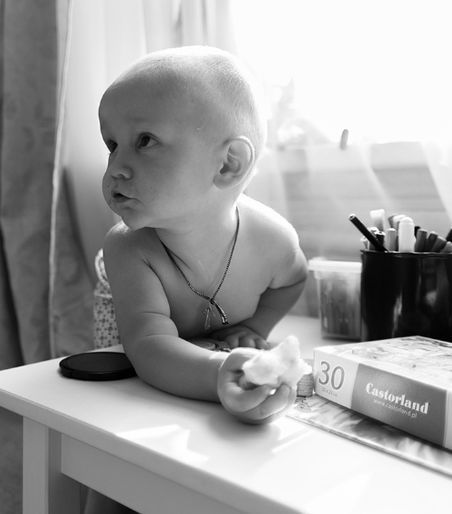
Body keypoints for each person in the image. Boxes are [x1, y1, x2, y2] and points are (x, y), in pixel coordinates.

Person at [99, 46, 309, 425]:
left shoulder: (272, 240)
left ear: (228, 164)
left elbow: (294, 278)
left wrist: (255, 327)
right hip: (131, 378)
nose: (116, 168)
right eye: (112, 145)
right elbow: (149, 345)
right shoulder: (128, 247)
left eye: (144, 141)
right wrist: (218, 373)